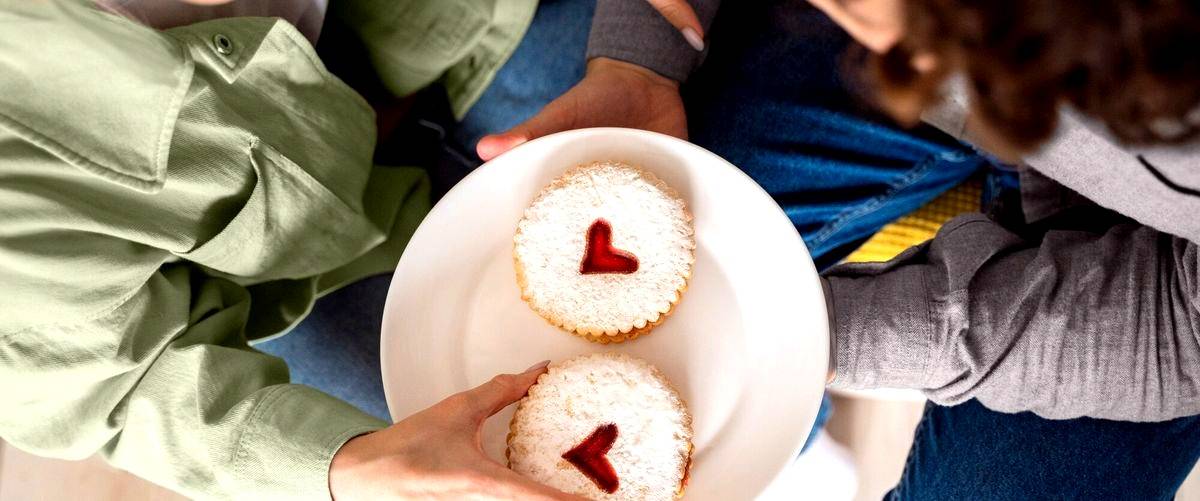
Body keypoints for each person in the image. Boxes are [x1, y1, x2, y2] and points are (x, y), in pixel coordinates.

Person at [473, 0, 1200, 498]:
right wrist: (639, 62)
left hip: (1171, 304)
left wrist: (817, 333)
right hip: (980, 82)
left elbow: (1178, 334)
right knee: (685, 173)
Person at [0, 0, 583, 499]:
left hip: (446, 31)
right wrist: (347, 465)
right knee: (510, 462)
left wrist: (638, 59)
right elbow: (113, 386)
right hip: (280, 279)